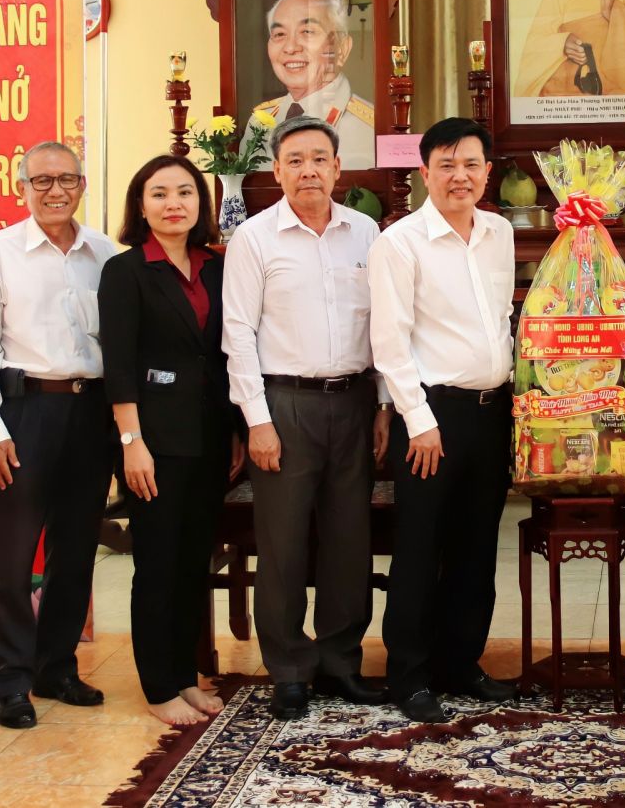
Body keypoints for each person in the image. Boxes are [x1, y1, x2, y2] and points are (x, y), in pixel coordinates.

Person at [222, 118, 390, 720]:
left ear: (339, 169)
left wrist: (383, 404)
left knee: (350, 539)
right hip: (283, 404)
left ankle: (342, 661)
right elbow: (238, 334)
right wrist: (257, 421)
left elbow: (384, 326)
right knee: (285, 543)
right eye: (295, 161)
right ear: (277, 171)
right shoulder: (255, 239)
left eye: (320, 159)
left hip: (353, 400)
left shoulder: (365, 233)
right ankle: (290, 668)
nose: (309, 170)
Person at [369, 117, 517, 723]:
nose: (461, 176)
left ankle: (460, 663)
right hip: (430, 417)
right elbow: (390, 341)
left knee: (477, 548)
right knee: (420, 548)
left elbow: (503, 320)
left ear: (488, 171)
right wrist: (418, 420)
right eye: (448, 165)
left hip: (492, 412)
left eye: (472, 164)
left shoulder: (500, 232)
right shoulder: (399, 243)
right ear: (424, 172)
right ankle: (408, 675)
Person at [0, 141, 117, 729]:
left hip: (91, 412)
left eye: (67, 179)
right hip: (24, 411)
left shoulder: (103, 252)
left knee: (77, 547)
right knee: (10, 551)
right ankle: (9, 679)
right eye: (42, 180)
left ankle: (56, 666)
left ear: (82, 184)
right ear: (21, 187)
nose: (56, 190)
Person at [98, 155, 243, 726]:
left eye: (185, 192)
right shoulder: (126, 271)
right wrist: (131, 441)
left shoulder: (216, 265)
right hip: (152, 443)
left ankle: (184, 674)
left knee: (191, 562)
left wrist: (234, 429)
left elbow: (227, 355)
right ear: (141, 205)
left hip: (208, 438)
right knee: (156, 564)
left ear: (200, 203)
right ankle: (159, 685)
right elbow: (120, 364)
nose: (173, 203)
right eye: (159, 194)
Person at [250, 0, 375, 169]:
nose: (290, 48)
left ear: (341, 48)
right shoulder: (259, 122)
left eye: (307, 31)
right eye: (279, 34)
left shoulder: (370, 128)